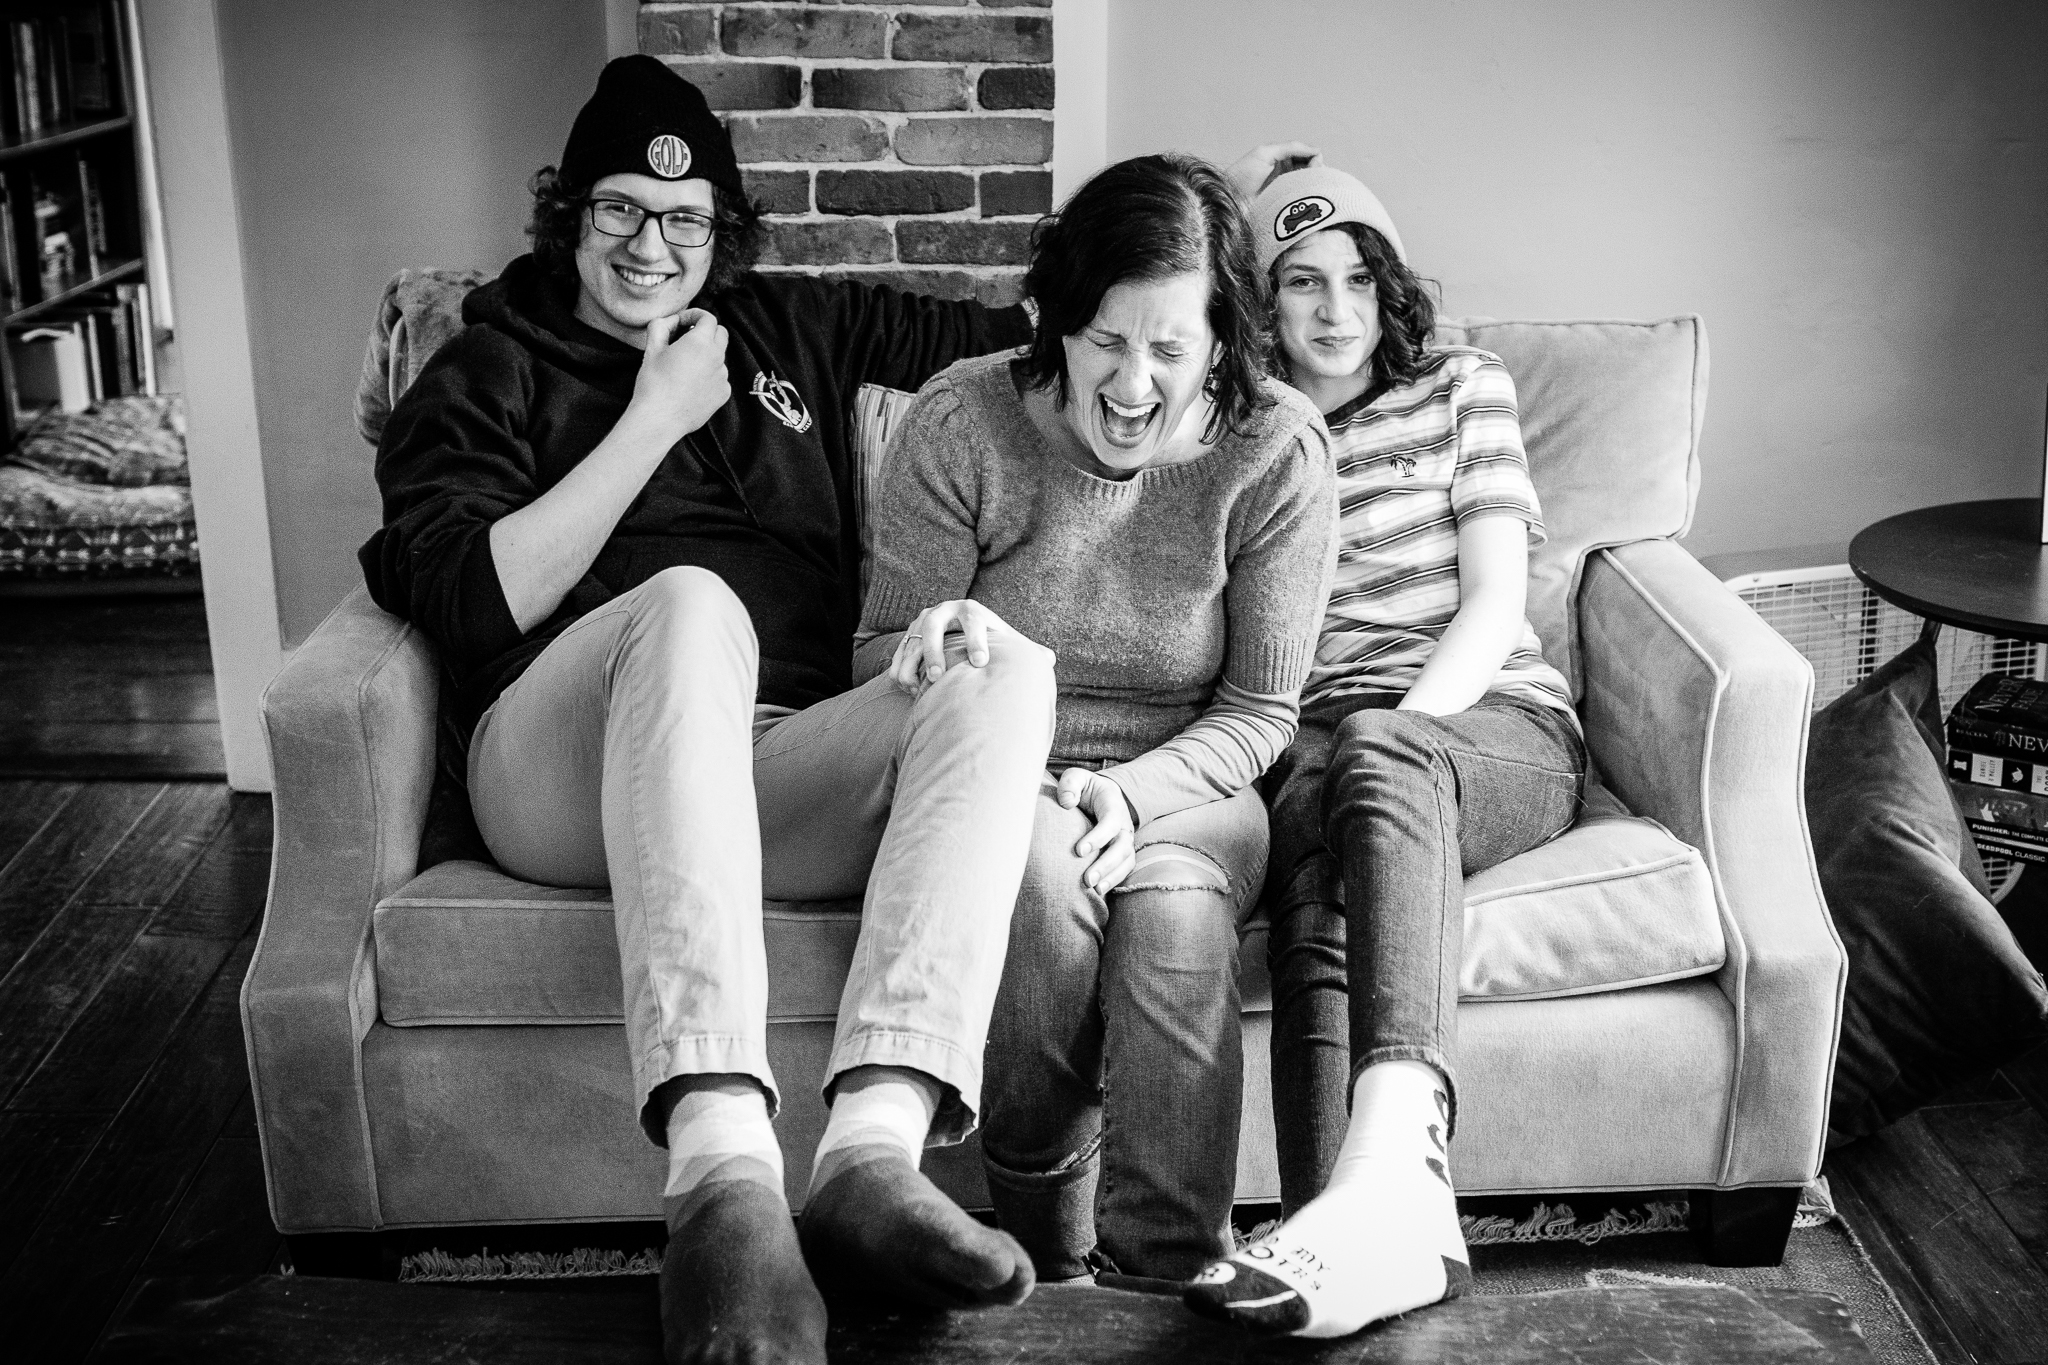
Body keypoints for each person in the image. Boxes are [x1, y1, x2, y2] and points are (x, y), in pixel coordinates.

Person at [362, 56, 1054, 1365]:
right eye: (619, 208)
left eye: (685, 220)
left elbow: (1016, 342)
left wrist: (1215, 279)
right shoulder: (489, 367)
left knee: (998, 664)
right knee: (691, 604)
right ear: (570, 216)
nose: (650, 244)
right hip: (561, 768)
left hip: (767, 762)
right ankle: (723, 1171)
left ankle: (871, 1155)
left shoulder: (786, 327)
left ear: (720, 234)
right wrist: (653, 417)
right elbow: (468, 601)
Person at [855, 153, 1337, 1286]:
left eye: (1170, 349)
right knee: (1031, 876)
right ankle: (1040, 1249)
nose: (1130, 383)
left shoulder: (1274, 448)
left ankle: (1167, 1274)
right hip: (995, 771)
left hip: (1188, 785)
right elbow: (879, 655)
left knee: (1171, 924)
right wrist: (951, 680)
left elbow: (1260, 710)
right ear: (1052, 321)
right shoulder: (960, 422)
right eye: (1103, 341)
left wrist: (1128, 795)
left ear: (1224, 340)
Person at [1182, 150, 1587, 1338]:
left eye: (1358, 279)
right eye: (1299, 282)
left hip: (1491, 728)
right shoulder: (1245, 432)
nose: (1334, 310)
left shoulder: (1464, 384)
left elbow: (1494, 600)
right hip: (1317, 747)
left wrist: (1396, 735)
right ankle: (1338, 1244)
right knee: (1313, 900)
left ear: (1389, 288)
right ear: (1257, 301)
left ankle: (1400, 1173)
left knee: (1370, 753)